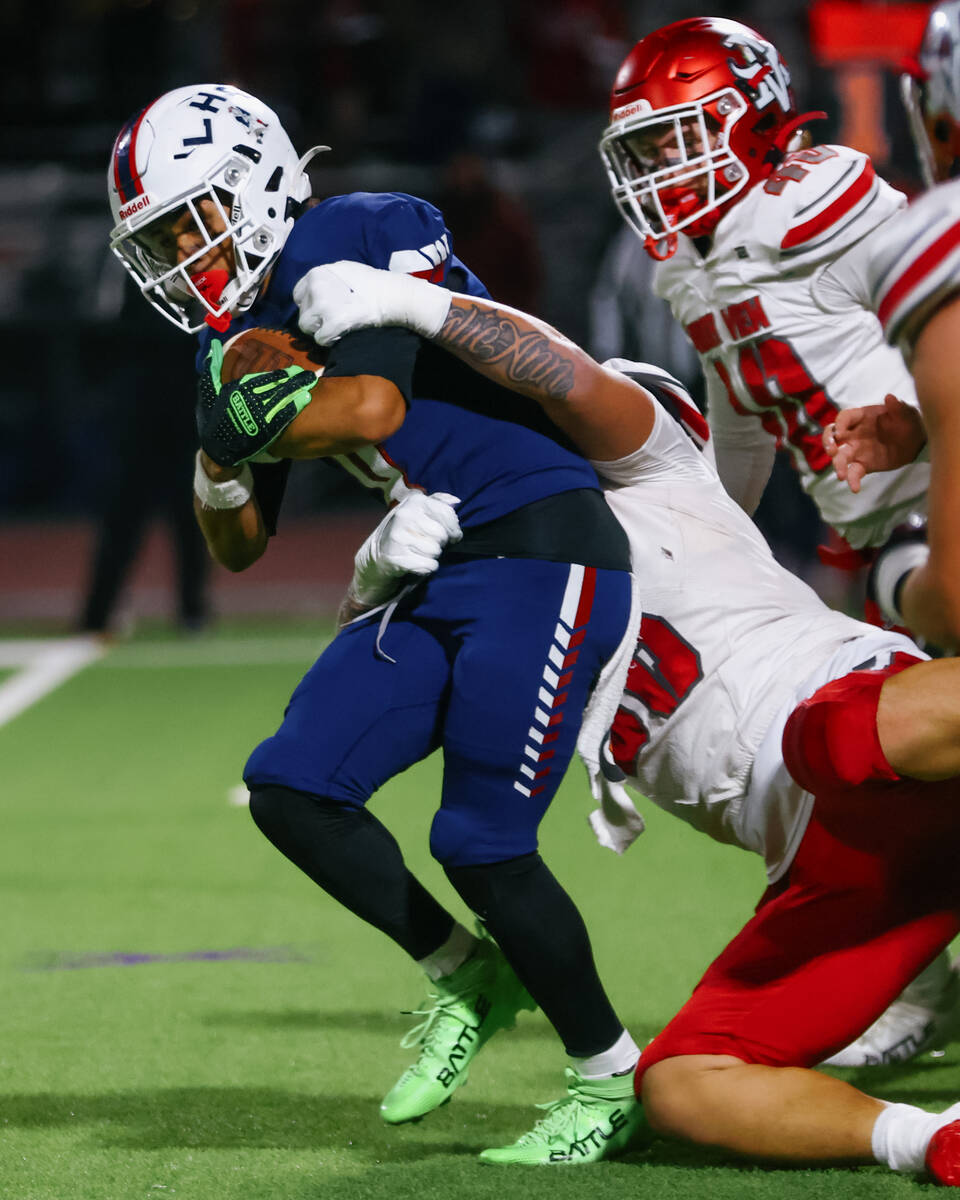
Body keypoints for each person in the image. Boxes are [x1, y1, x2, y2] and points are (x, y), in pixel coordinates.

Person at [294, 258, 960, 1184]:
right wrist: (375, 577)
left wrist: (416, 305)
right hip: (832, 872)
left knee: (831, 742)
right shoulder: (494, 568)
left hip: (863, 727)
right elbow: (383, 698)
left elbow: (559, 376)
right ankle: (934, 1139)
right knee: (680, 1086)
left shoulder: (661, 471)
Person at [107, 83, 647, 1164]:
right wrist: (220, 452)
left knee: (479, 842)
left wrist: (245, 416)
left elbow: (373, 409)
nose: (178, 252)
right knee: (293, 784)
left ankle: (609, 1076)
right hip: (437, 559)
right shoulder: (238, 332)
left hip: (542, 540)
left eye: (188, 218)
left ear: (257, 182)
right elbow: (238, 543)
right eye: (158, 238)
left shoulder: (355, 226)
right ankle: (465, 973)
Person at [595, 13, 953, 1067]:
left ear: (750, 119)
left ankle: (911, 985)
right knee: (891, 767)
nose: (661, 166)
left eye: (678, 136)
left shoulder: (819, 202)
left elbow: (939, 308)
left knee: (882, 756)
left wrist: (914, 419)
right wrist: (714, 531)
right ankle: (917, 976)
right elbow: (744, 410)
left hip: (937, 507)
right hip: (875, 537)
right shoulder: (694, 263)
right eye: (645, 149)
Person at [826, 0, 960, 654]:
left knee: (830, 735)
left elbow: (955, 604)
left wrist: (899, 573)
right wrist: (935, 436)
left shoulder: (941, 245)